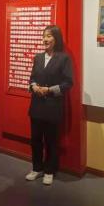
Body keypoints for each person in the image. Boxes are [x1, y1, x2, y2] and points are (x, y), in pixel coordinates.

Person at [25, 25, 73, 186]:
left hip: (53, 106)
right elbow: (32, 78)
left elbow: (68, 83)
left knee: (51, 141)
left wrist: (49, 90)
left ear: (56, 39)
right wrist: (33, 86)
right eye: (44, 36)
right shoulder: (38, 57)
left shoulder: (64, 58)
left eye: (49, 36)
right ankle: (36, 168)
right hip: (36, 106)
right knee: (35, 140)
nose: (45, 39)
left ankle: (49, 170)